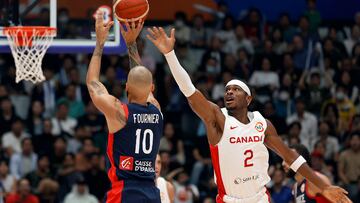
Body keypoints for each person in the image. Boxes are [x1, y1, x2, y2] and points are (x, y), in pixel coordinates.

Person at [146, 27, 351, 203]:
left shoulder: (263, 123)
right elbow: (189, 91)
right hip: (230, 199)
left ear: (248, 99)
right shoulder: (218, 118)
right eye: (227, 89)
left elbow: (290, 156)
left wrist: (323, 187)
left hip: (260, 197)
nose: (229, 92)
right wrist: (170, 55)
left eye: (236, 89)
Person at [86, 11, 163, 203]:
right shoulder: (157, 109)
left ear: (126, 87)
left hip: (125, 192)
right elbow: (141, 77)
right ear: (152, 89)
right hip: (152, 194)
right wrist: (131, 44)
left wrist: (99, 44)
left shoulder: (119, 112)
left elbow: (92, 84)